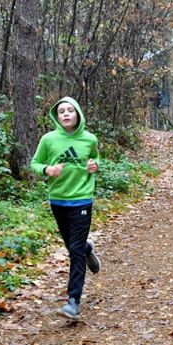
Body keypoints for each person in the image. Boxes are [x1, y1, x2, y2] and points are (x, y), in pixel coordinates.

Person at [30, 97, 101, 320]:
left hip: (82, 199)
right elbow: (34, 164)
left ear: (78, 114)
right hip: (58, 200)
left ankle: (73, 301)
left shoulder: (89, 139)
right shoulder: (48, 139)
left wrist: (95, 165)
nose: (66, 114)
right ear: (57, 116)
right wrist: (47, 170)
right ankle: (87, 249)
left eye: (70, 110)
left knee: (74, 250)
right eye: (62, 111)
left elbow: (96, 158)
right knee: (74, 246)